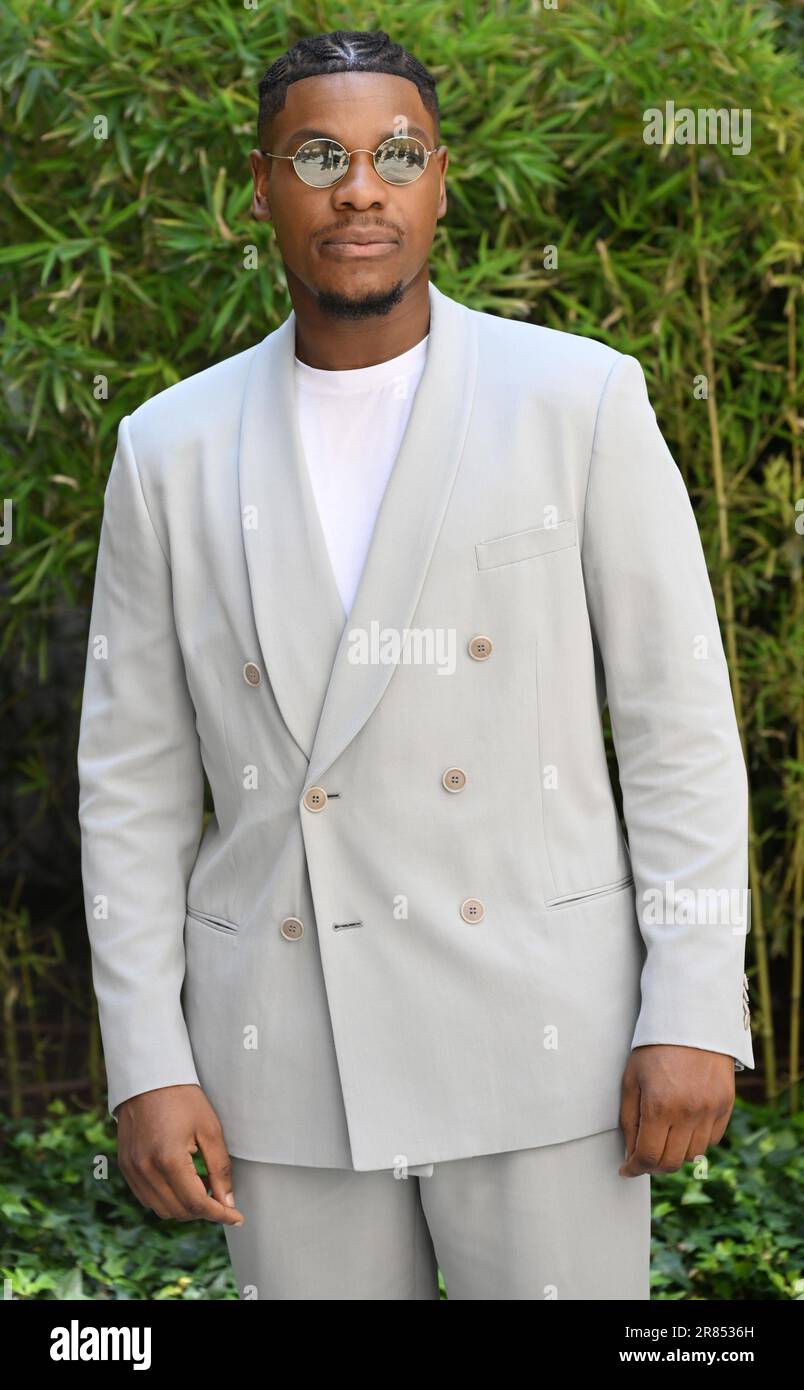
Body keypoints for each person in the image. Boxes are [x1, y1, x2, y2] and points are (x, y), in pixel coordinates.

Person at [77, 29, 754, 1301]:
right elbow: (132, 783)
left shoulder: (580, 400)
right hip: (282, 1050)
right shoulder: (164, 447)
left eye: (396, 154)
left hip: (550, 1045)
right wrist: (145, 1056)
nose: (360, 188)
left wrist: (692, 1008)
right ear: (262, 184)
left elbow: (678, 731)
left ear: (440, 179)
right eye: (320, 156)